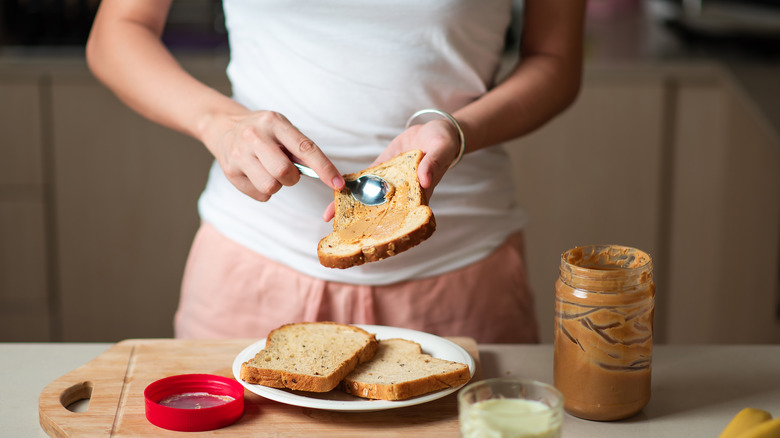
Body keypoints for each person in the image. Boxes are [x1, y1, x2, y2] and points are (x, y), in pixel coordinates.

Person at [86, 0, 585, 343]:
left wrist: (458, 130)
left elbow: (555, 60)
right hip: (250, 268)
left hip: (461, 273)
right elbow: (118, 31)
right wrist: (219, 122)